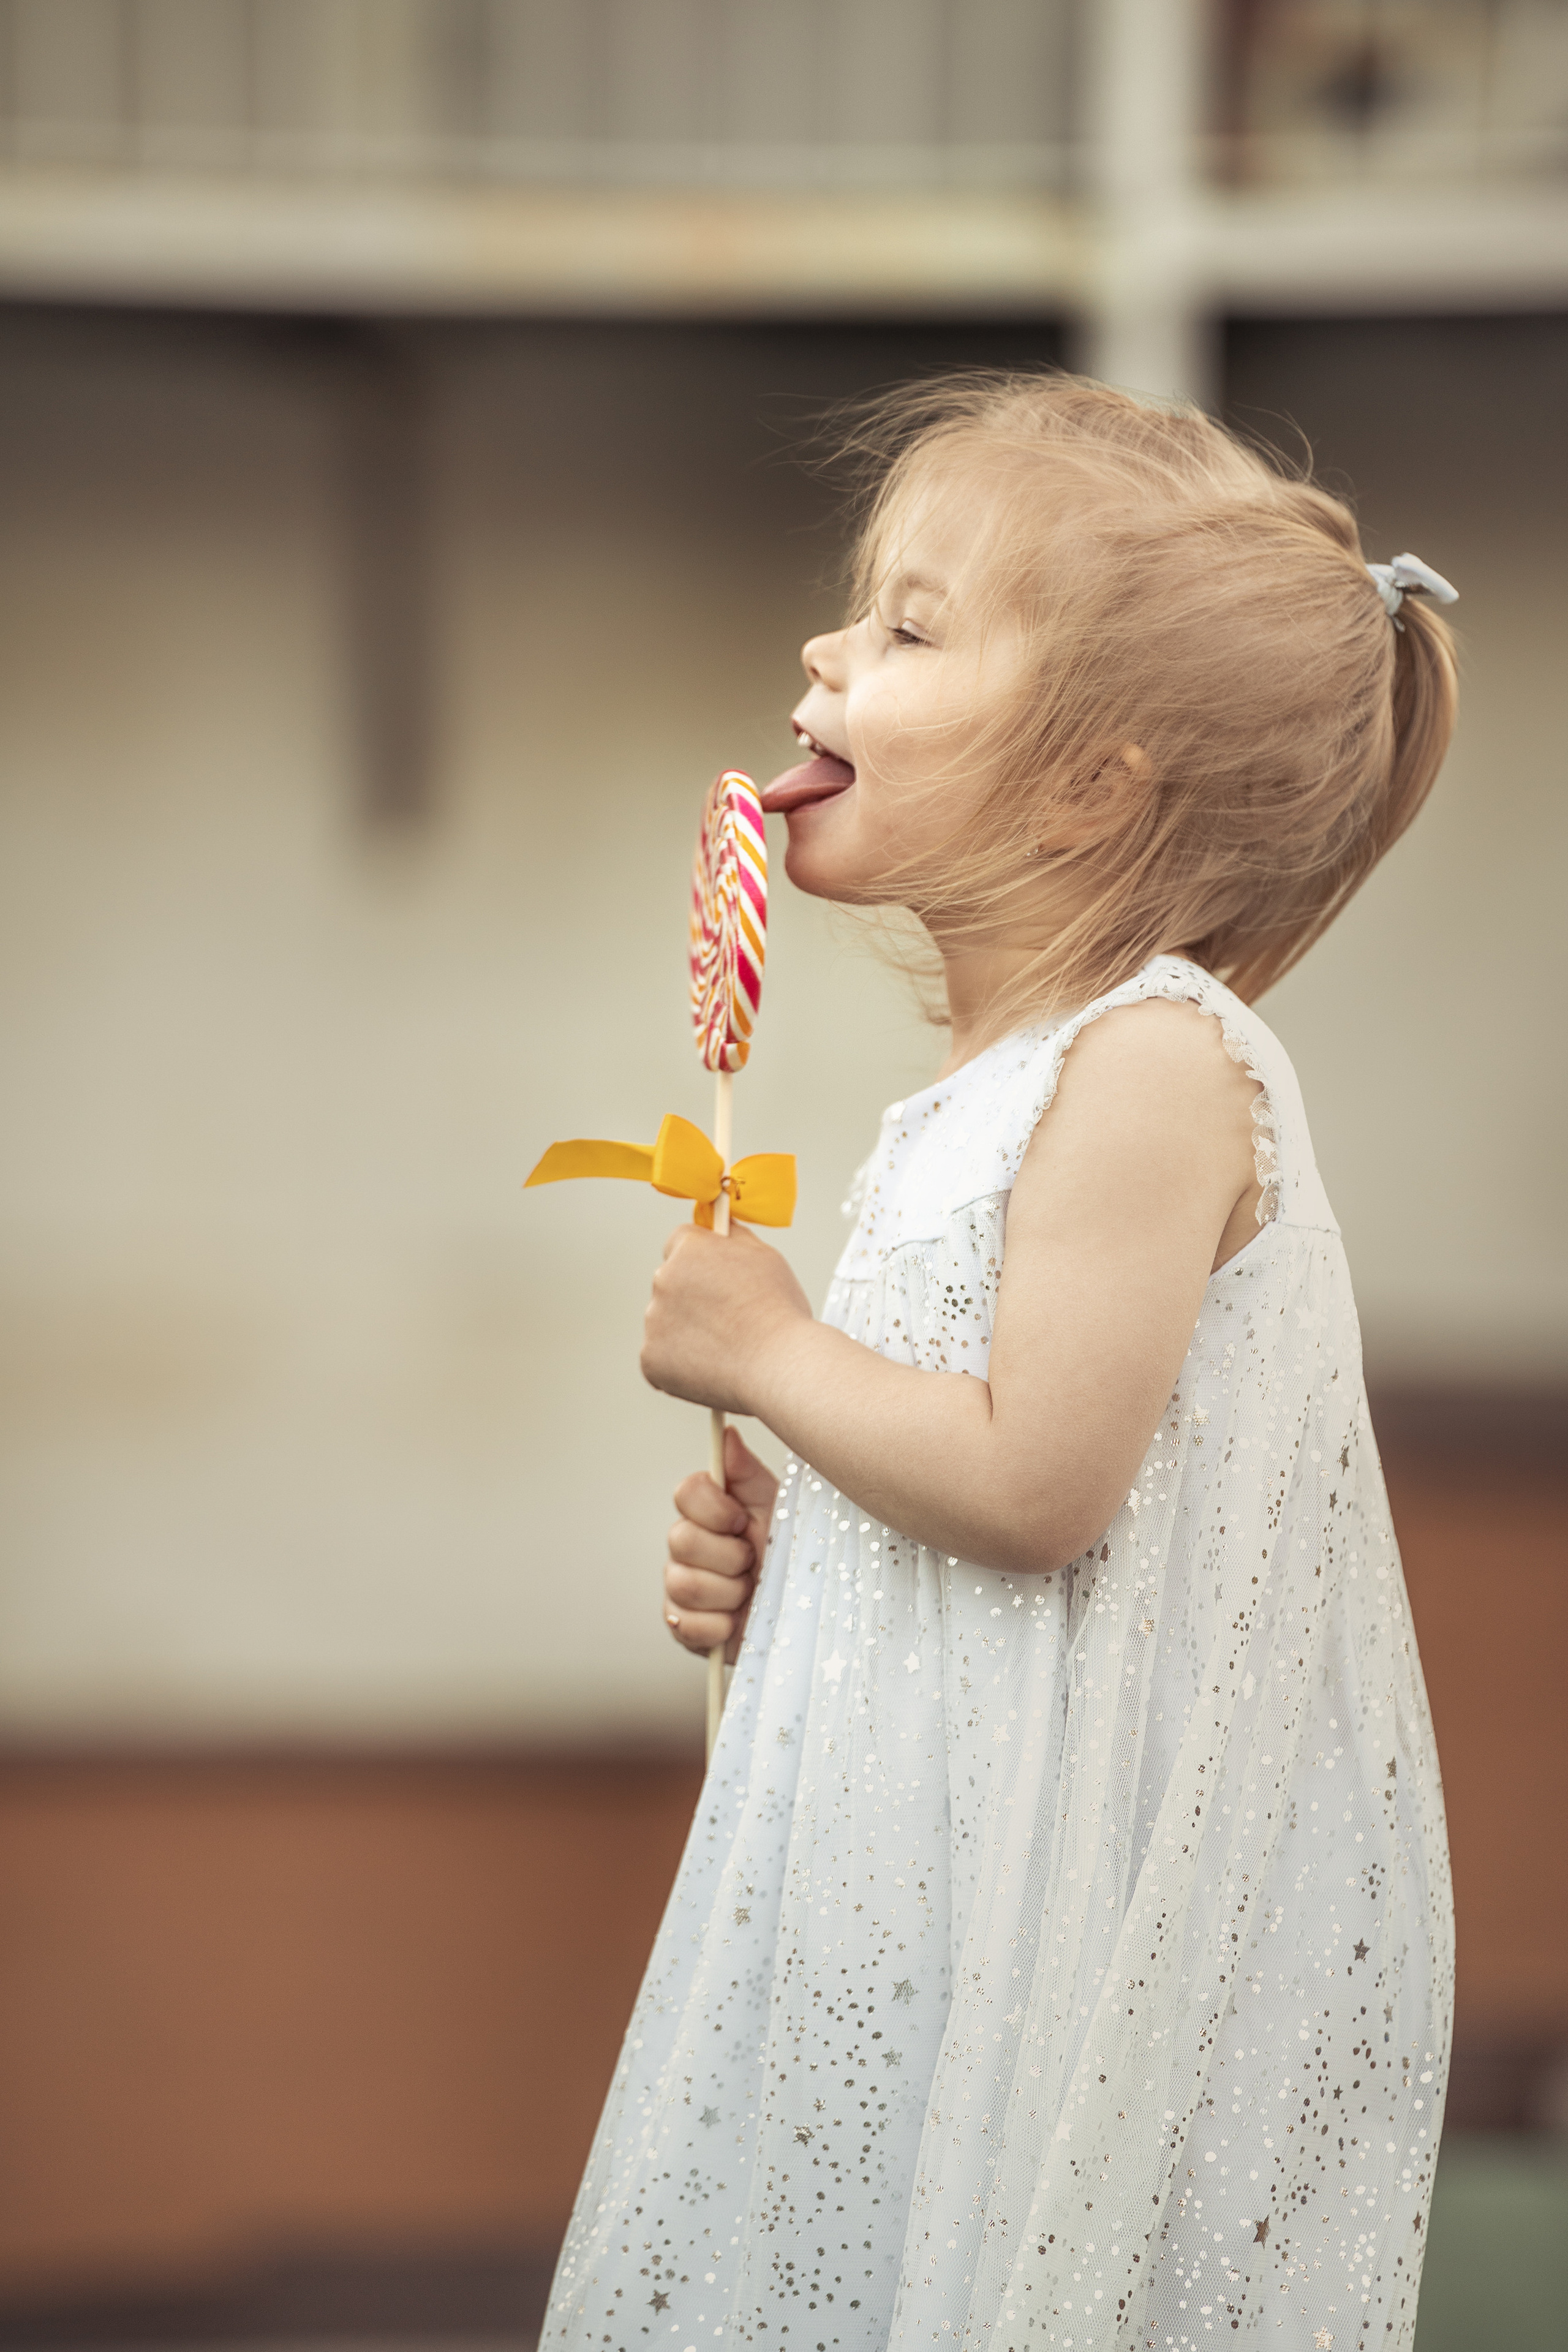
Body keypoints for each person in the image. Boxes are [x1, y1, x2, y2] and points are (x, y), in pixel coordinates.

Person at [541, 375, 1458, 2351]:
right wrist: (800, 1570)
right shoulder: (977, 1096)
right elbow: (966, 1493)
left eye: (908, 626)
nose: (825, 649)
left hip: (1057, 1922)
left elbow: (1041, 1488)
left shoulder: (1150, 1064)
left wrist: (779, 1352)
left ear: (1087, 790)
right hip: (920, 1873)